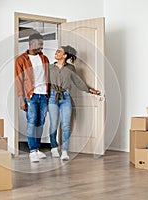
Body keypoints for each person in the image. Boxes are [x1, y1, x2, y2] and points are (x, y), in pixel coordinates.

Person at [48, 45, 101, 161]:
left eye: (59, 52)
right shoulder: (50, 67)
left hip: (66, 97)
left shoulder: (71, 68)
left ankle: (65, 151)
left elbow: (78, 81)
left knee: (66, 125)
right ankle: (53, 146)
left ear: (65, 55)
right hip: (52, 97)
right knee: (53, 124)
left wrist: (90, 90)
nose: (56, 53)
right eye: (56, 51)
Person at [15, 33, 50, 163]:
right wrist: (21, 98)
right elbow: (19, 80)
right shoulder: (21, 60)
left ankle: (37, 148)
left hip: (44, 94)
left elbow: (48, 77)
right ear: (31, 44)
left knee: (40, 122)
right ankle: (33, 151)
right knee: (32, 121)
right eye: (39, 44)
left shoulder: (44, 59)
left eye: (42, 44)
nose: (42, 46)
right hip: (31, 95)